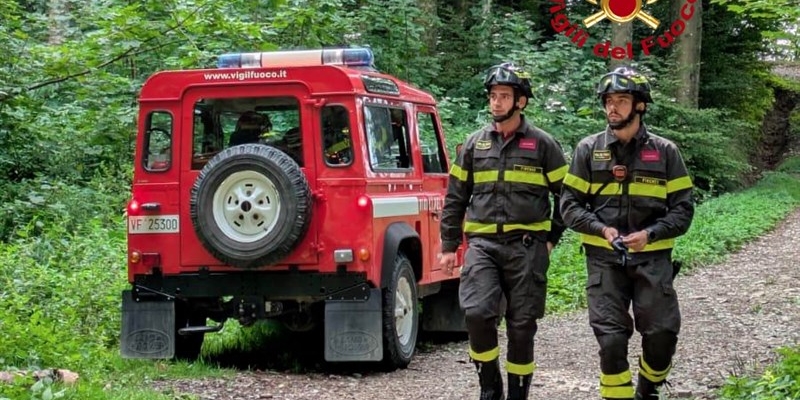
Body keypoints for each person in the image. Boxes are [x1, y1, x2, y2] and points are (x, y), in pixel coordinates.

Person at [559, 66, 695, 400]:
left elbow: (683, 208)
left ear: (640, 106)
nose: (612, 108)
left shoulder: (665, 152)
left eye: (621, 100)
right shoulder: (588, 150)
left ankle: (647, 390)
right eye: (608, 101)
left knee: (662, 333)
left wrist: (651, 234)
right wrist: (601, 228)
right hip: (604, 261)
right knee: (611, 339)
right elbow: (569, 205)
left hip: (652, 259)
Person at [439, 62, 568, 400]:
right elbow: (455, 196)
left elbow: (569, 196)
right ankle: (489, 387)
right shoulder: (473, 144)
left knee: (522, 326)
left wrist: (552, 238)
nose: (496, 103)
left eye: (504, 96)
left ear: (521, 102)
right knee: (478, 314)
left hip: (527, 247)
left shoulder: (543, 145)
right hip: (482, 245)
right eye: (493, 96)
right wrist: (449, 244)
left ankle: (517, 395)